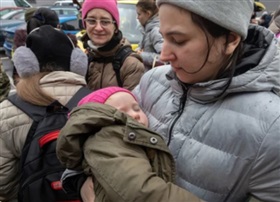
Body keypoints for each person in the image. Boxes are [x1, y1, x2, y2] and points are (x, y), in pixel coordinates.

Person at [78, 0, 280, 201]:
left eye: (178, 40)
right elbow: (99, 134)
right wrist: (83, 181)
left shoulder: (271, 127)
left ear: (230, 40)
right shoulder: (152, 81)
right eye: (163, 37)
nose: (164, 55)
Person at [56, 86, 201, 202]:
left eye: (136, 108)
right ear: (101, 118)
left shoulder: (128, 137)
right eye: (121, 113)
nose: (135, 114)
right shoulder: (106, 140)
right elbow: (140, 190)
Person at [0, 25, 88, 201]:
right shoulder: (97, 101)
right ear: (76, 63)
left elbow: (4, 183)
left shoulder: (6, 111)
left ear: (25, 64)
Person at [80, 0, 144, 91]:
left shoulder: (131, 65)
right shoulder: (84, 60)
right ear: (85, 24)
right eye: (91, 21)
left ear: (115, 27)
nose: (98, 28)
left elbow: (129, 104)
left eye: (105, 22)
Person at [135, 0, 164, 70]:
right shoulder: (147, 30)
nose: (137, 17)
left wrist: (141, 55)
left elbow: (164, 58)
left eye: (139, 14)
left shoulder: (155, 31)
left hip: (154, 76)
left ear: (148, 14)